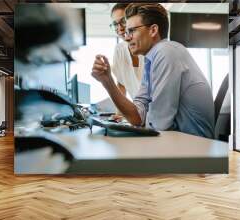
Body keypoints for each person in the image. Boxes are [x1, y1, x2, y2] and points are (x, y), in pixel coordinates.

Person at [92, 3, 215, 138]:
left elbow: (158, 124)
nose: (126, 38)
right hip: (176, 140)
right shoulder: (150, 59)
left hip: (193, 146)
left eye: (131, 31)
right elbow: (137, 116)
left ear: (153, 30)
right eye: (127, 32)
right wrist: (107, 81)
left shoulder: (166, 52)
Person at [110, 3, 144, 100]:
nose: (120, 28)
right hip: (139, 109)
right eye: (115, 24)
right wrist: (119, 113)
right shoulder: (119, 50)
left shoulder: (149, 46)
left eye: (124, 21)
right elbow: (121, 84)